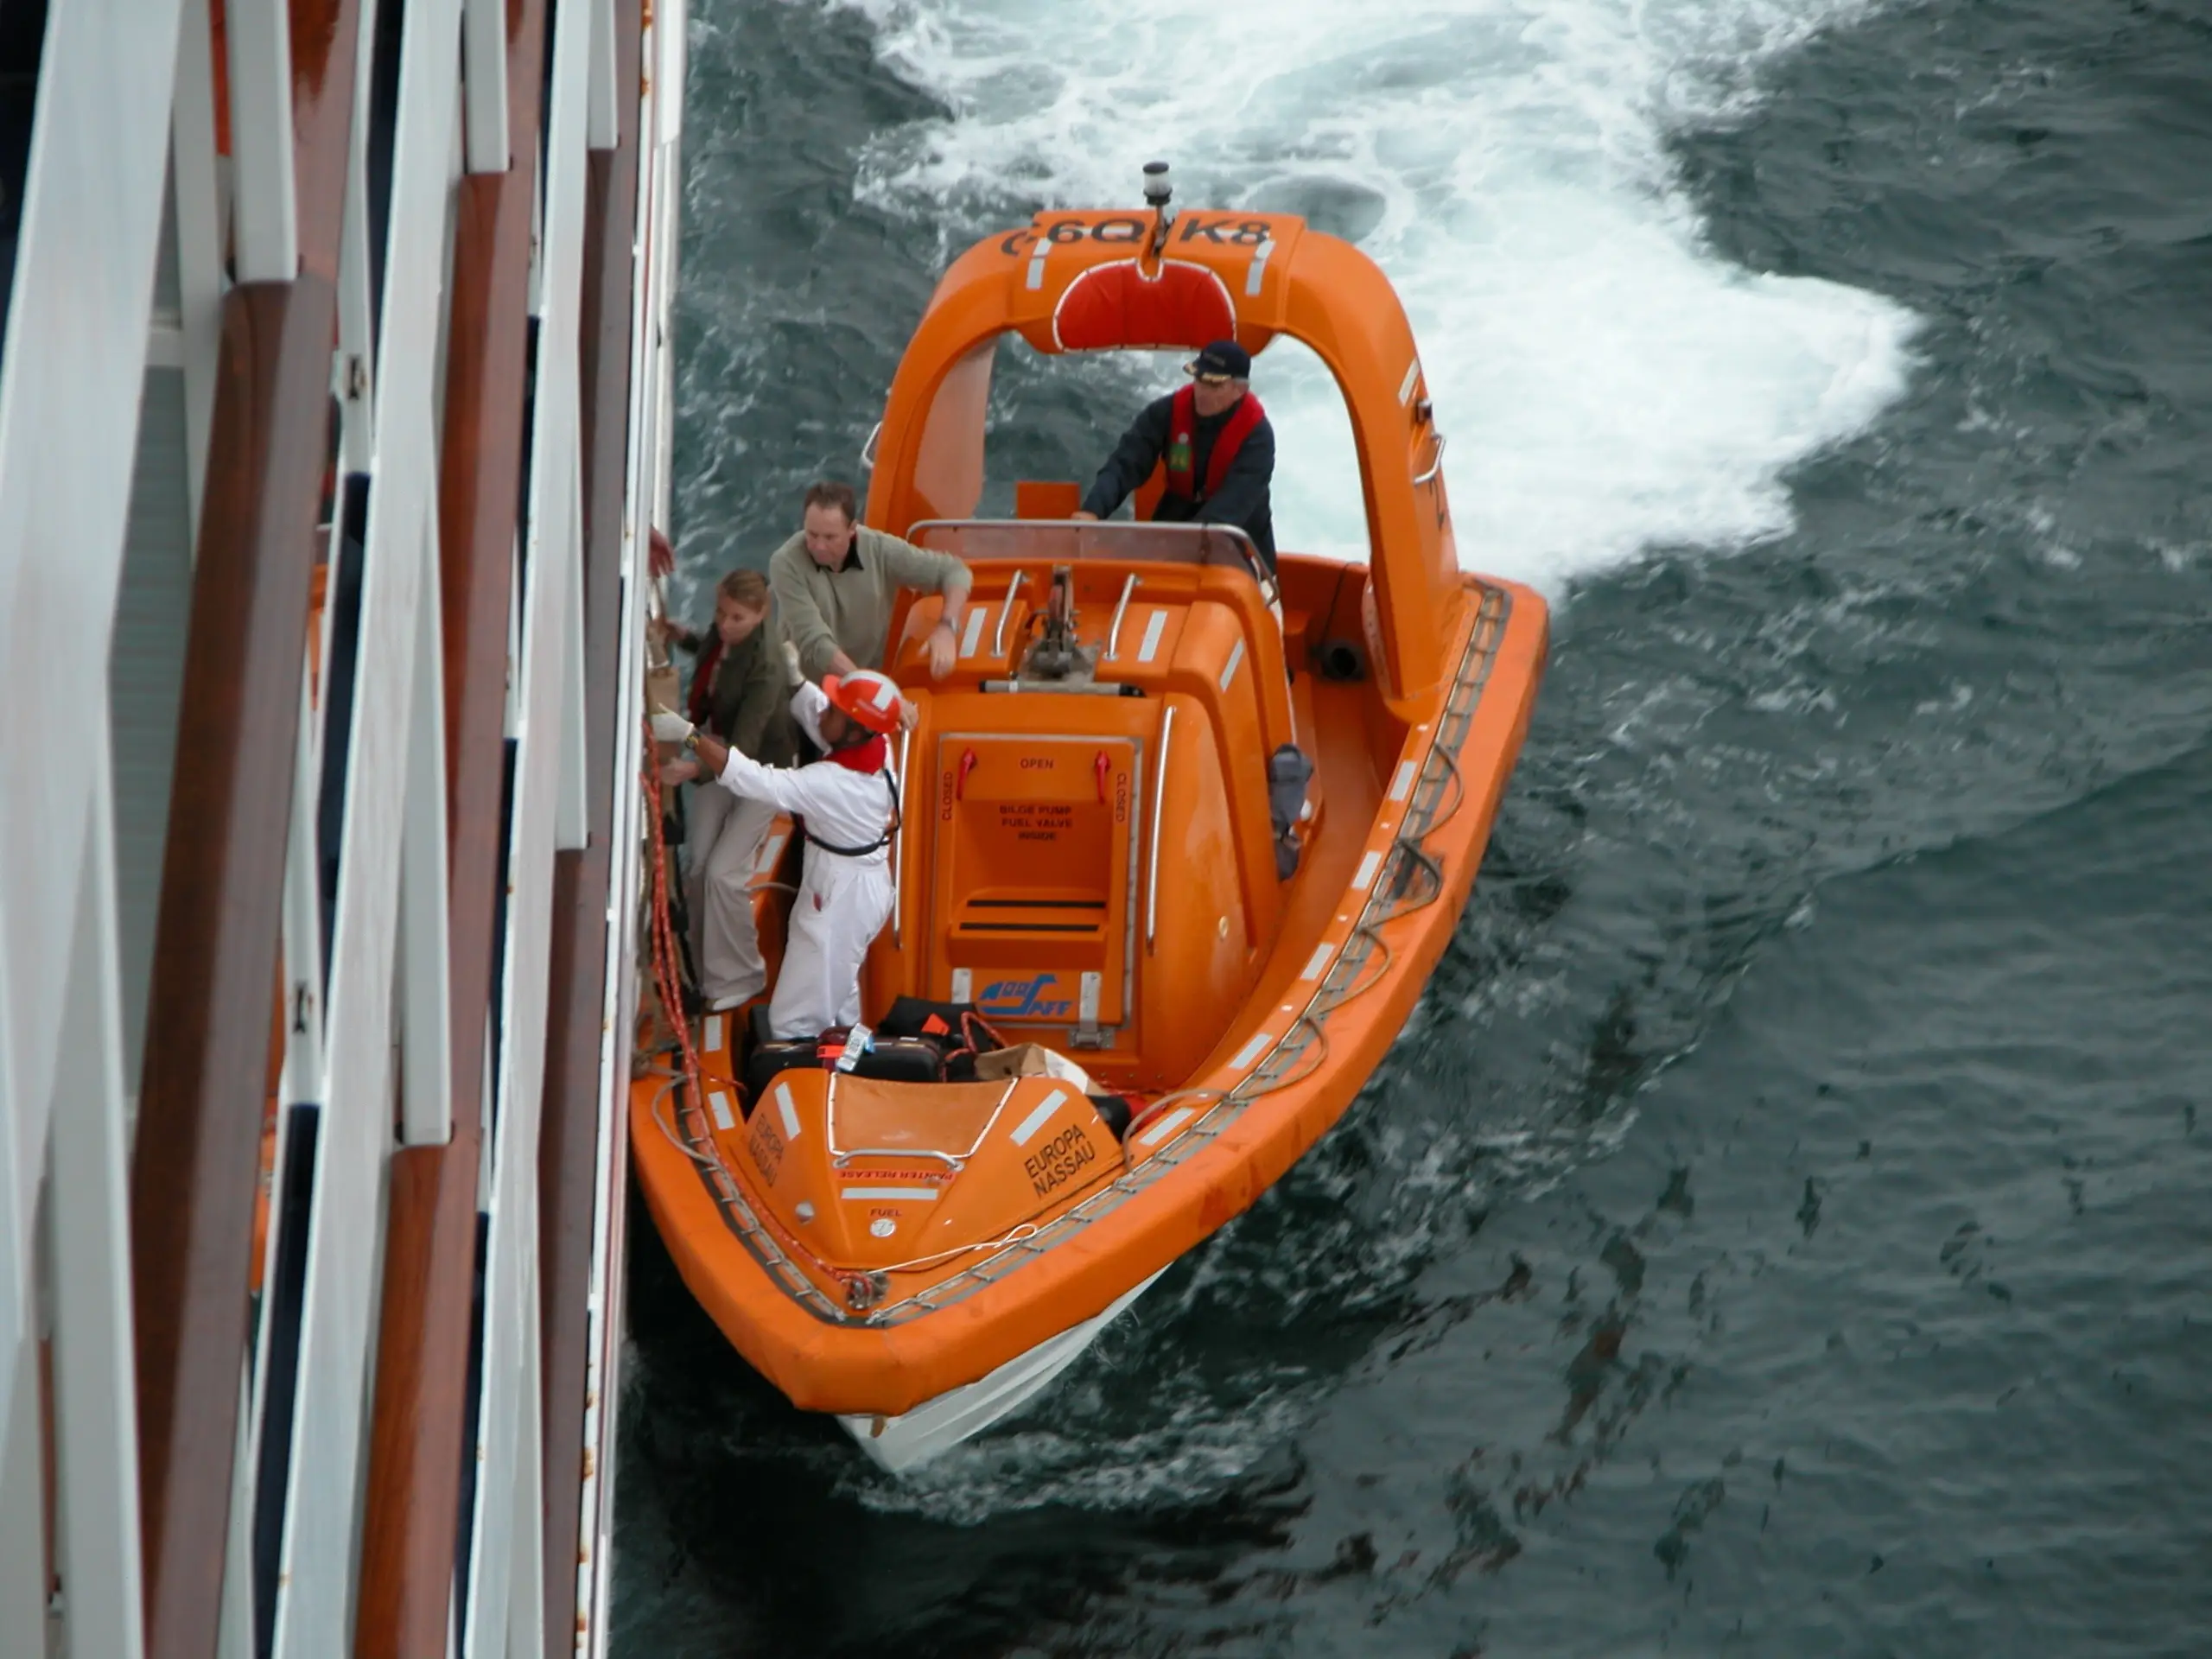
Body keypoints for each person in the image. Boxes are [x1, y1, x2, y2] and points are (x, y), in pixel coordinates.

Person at [652, 669, 905, 1040]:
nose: (823, 712)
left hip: (840, 896)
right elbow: (825, 718)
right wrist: (795, 678)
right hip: (862, 888)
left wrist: (691, 737)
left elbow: (755, 780)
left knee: (795, 1017)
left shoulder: (830, 783)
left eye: (834, 710)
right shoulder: (877, 748)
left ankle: (798, 1078)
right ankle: (847, 1055)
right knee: (839, 986)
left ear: (853, 731)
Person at [656, 569, 800, 1012]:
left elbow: (744, 753)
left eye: (737, 617)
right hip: (717, 748)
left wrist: (692, 769)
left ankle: (743, 975)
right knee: (699, 868)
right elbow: (712, 657)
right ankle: (705, 969)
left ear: (760, 615)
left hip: (759, 770)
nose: (725, 624)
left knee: (724, 873)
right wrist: (681, 636)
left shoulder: (767, 667)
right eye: (721, 613)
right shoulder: (725, 641)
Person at [1076, 339, 1276, 576]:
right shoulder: (1165, 412)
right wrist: (1092, 510)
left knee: (1262, 600)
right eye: (1198, 379)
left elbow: (1234, 504)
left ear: (1239, 390)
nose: (1201, 391)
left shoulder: (1258, 437)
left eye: (1214, 385)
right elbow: (1125, 463)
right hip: (1176, 519)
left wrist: (1185, 547)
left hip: (1239, 535)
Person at [768, 480, 972, 690]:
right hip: (803, 688)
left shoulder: (879, 549)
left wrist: (947, 628)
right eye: (812, 534)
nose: (819, 546)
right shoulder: (785, 563)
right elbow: (815, 643)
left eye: (830, 537)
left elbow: (954, 571)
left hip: (864, 678)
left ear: (852, 529)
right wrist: (872, 689)